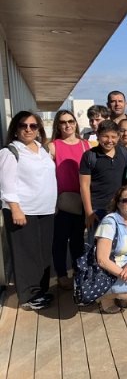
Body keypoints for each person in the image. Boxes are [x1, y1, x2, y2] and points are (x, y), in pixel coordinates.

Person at [0, 112, 57, 310]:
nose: (28, 129)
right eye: (23, 125)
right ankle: (28, 296)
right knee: (26, 255)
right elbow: (6, 185)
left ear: (39, 129)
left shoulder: (42, 150)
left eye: (33, 126)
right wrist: (15, 209)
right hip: (24, 211)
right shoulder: (10, 152)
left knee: (42, 253)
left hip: (46, 210)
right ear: (15, 129)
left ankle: (39, 291)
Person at [48, 109, 91, 290]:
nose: (68, 125)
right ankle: (62, 274)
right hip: (63, 200)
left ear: (76, 123)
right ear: (58, 125)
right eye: (63, 122)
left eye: (71, 121)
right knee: (59, 239)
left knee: (78, 240)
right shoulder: (53, 146)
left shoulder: (86, 145)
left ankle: (78, 271)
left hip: (83, 199)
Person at [79, 120, 127, 246]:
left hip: (119, 208)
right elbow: (84, 186)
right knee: (96, 247)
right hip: (97, 210)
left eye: (113, 137)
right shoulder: (89, 156)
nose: (109, 140)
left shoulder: (123, 152)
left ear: (118, 136)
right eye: (105, 136)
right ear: (97, 135)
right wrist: (89, 213)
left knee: (120, 246)